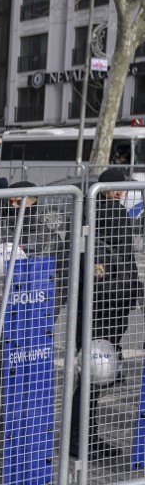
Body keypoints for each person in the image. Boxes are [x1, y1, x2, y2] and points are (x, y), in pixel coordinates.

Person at [0, 181, 67, 481]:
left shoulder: (49, 237)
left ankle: (4, 460)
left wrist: (47, 314)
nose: (17, 203)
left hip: (29, 328)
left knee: (20, 395)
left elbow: (62, 283)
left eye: (24, 199)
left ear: (35, 200)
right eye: (13, 199)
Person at [70, 168, 141, 461]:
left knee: (98, 377)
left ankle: (86, 438)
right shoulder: (99, 213)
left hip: (108, 306)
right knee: (92, 375)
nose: (121, 193)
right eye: (116, 187)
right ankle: (78, 441)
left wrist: (133, 288)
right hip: (98, 307)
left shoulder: (104, 213)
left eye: (123, 188)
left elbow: (126, 262)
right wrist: (129, 287)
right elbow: (101, 265)